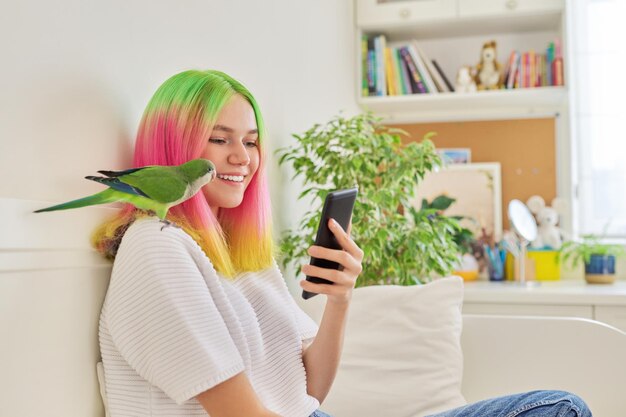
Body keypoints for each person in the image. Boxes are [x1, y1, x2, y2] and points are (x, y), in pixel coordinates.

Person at [93, 69, 592, 417]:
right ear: (175, 146)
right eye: (218, 138)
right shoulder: (157, 248)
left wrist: (340, 299)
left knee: (558, 408)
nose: (241, 157)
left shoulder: (240, 253)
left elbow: (308, 391)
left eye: (250, 140)